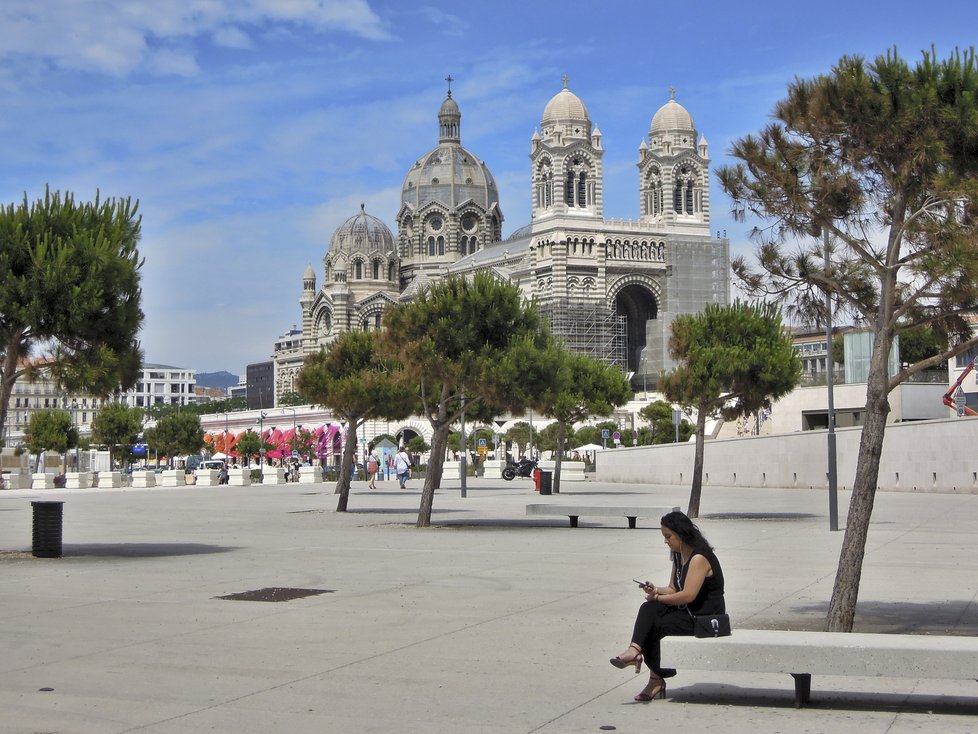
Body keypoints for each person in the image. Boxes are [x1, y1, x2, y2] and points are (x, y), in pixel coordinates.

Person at [609, 511, 725, 702]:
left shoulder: (699, 558)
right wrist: (655, 590)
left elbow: (687, 595)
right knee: (647, 609)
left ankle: (655, 678)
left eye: (668, 536)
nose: (666, 541)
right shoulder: (679, 555)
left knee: (658, 624)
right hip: (687, 612)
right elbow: (673, 589)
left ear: (682, 534)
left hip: (705, 618)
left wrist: (657, 598)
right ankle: (634, 650)